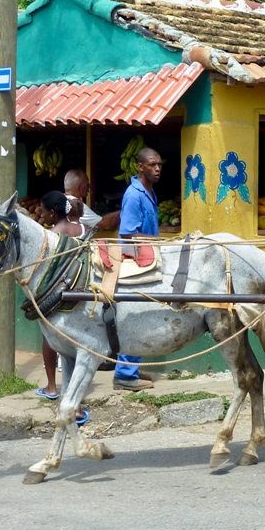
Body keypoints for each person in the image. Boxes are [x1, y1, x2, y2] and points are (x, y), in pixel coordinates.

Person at [35, 191, 90, 424]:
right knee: (80, 349)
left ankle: (52, 387)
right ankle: (76, 405)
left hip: (60, 298)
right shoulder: (82, 230)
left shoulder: (52, 236)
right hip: (84, 293)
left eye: (44, 211)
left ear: (52, 212)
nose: (42, 214)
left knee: (51, 338)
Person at [112, 147, 162, 391]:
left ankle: (130, 367)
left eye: (159, 165)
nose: (157, 169)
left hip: (146, 259)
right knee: (135, 313)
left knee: (143, 312)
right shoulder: (134, 194)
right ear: (140, 167)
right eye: (152, 165)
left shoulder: (149, 192)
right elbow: (128, 233)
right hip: (133, 261)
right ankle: (124, 374)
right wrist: (159, 242)